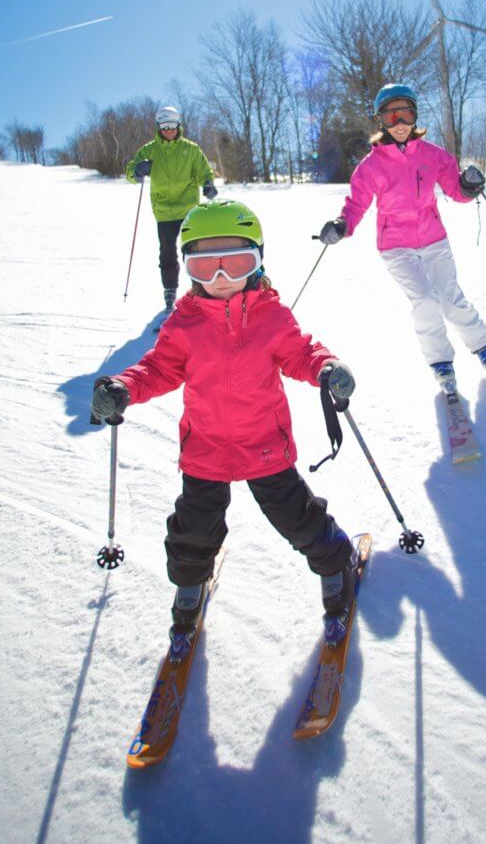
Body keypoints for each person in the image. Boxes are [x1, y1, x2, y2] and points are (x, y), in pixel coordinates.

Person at [91, 199, 358, 654]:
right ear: (188, 267)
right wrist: (123, 386)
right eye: (205, 265)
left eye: (235, 263)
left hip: (265, 446)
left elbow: (298, 352)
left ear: (257, 262)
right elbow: (158, 368)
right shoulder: (184, 322)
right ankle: (190, 584)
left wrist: (326, 367)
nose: (220, 278)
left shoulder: (271, 314)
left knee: (295, 517)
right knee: (193, 529)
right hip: (206, 450)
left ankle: (337, 561)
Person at [318, 82, 486, 396]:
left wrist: (469, 186)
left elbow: (455, 191)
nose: (400, 124)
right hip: (396, 247)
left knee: (451, 298)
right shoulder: (371, 166)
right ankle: (442, 364)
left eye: (405, 114)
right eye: (391, 117)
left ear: (415, 116)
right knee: (425, 301)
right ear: (382, 121)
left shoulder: (434, 156)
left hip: (434, 239)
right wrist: (341, 225)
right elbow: (356, 204)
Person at [125, 105, 218, 315]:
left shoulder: (191, 149)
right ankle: (170, 292)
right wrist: (137, 171)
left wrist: (208, 184)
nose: (168, 130)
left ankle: (201, 289)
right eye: (164, 126)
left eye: (172, 125)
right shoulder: (150, 150)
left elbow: (204, 170)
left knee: (194, 250)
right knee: (166, 252)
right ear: (158, 127)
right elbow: (130, 172)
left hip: (188, 208)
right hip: (164, 210)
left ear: (179, 125)